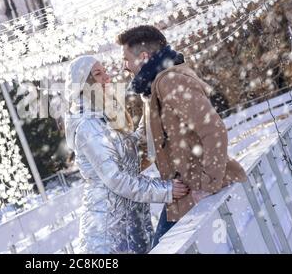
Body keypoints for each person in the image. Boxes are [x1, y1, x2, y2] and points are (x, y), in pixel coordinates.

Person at [116, 25, 247, 248]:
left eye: (126, 59)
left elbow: (213, 130)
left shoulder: (170, 81)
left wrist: (207, 184)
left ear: (144, 57)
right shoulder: (153, 89)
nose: (124, 66)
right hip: (182, 196)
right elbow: (153, 147)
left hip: (198, 191)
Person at [64, 55, 189, 253]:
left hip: (131, 225)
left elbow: (135, 150)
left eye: (105, 72)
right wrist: (166, 190)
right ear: (84, 84)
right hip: (108, 234)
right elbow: (116, 178)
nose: (107, 78)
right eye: (98, 74)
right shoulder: (87, 125)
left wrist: (150, 103)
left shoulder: (104, 116)